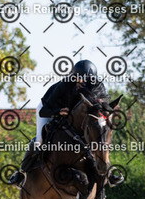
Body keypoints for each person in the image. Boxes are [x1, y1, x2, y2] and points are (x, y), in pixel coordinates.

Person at [8, 60, 122, 189]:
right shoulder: (65, 85)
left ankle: (108, 172)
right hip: (50, 109)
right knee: (39, 140)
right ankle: (22, 173)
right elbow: (43, 112)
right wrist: (58, 111)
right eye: (79, 78)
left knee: (99, 137)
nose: (82, 82)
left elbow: (103, 106)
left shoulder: (98, 85)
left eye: (86, 80)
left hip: (76, 117)